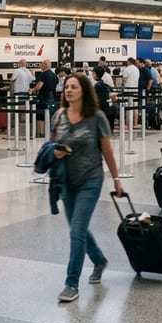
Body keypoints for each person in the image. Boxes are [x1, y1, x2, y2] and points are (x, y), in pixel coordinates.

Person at [50, 73, 124, 303]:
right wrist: (54, 152)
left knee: (76, 230)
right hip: (66, 181)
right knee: (78, 228)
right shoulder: (59, 116)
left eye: (73, 87)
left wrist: (116, 179)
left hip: (90, 180)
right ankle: (99, 260)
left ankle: (71, 283)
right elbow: (50, 145)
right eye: (66, 87)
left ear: (84, 90)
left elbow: (107, 151)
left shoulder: (96, 118)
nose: (68, 90)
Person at [31, 58, 59, 136]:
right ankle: (50, 132)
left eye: (42, 64)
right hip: (52, 97)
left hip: (43, 97)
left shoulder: (43, 74)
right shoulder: (53, 75)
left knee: (41, 115)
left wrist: (32, 90)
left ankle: (42, 132)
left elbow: (39, 86)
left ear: (45, 65)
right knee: (51, 115)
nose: (40, 65)